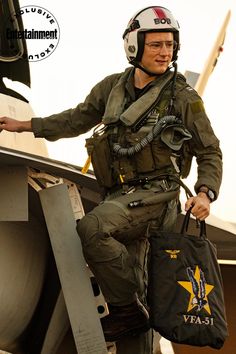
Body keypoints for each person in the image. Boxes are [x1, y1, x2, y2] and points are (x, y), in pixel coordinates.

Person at [0, 5, 222, 353]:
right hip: (120, 197)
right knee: (137, 310)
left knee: (93, 229)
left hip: (158, 196)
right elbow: (75, 120)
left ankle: (128, 307)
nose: (165, 52)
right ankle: (135, 307)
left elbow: (210, 150)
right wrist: (26, 125)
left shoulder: (184, 98)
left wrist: (206, 193)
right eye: (156, 45)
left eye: (170, 45)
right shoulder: (112, 89)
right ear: (135, 46)